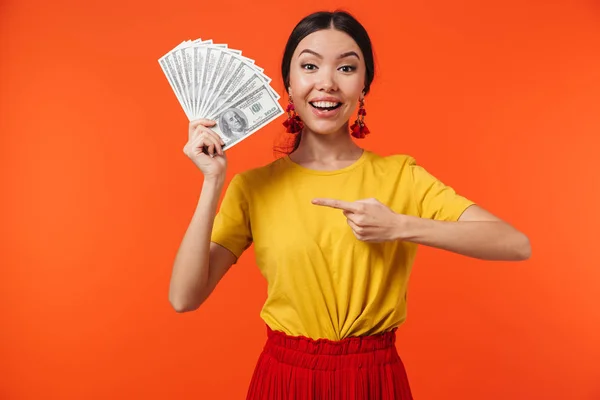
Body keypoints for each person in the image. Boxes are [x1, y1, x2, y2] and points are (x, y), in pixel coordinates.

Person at [169, 10, 531, 400]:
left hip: (373, 378)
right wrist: (213, 180)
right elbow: (184, 298)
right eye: (309, 66)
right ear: (288, 84)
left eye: (346, 68)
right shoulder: (253, 187)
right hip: (285, 380)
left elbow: (514, 243)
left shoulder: (400, 176)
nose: (326, 83)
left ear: (364, 85)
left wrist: (399, 226)